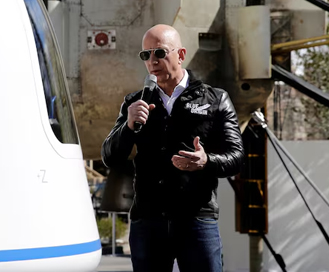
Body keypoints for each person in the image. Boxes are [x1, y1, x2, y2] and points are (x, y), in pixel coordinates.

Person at [101, 24, 243, 272]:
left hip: (197, 219)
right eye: (146, 55)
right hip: (148, 222)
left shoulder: (215, 99)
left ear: (181, 54)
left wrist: (205, 161)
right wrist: (128, 126)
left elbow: (237, 157)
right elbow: (110, 157)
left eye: (160, 52)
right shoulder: (136, 102)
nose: (152, 60)